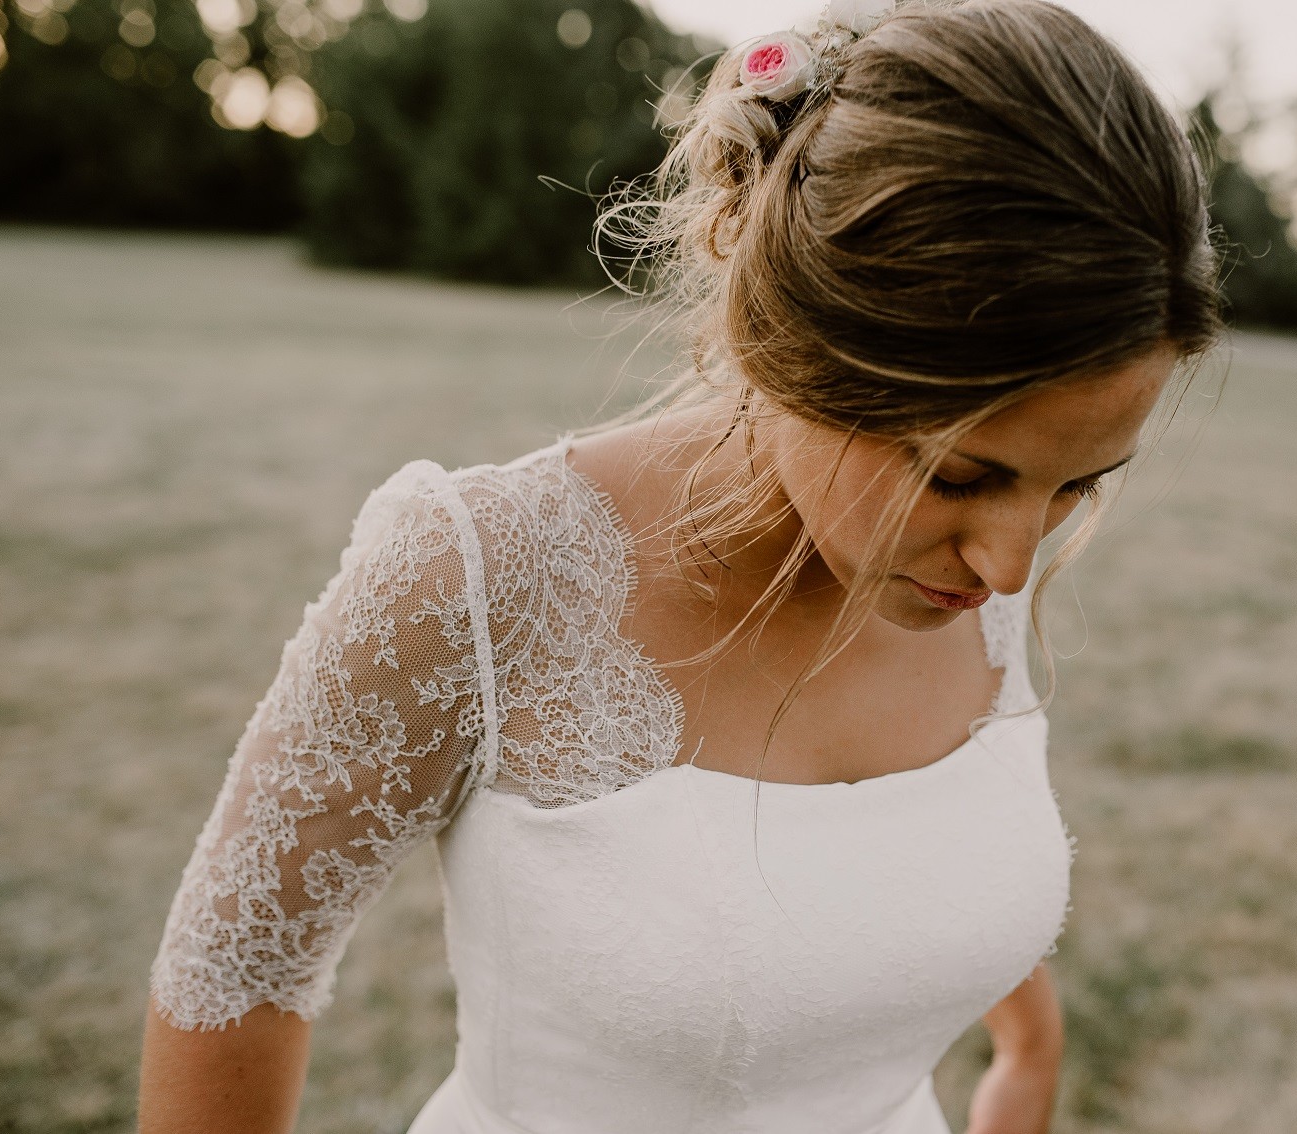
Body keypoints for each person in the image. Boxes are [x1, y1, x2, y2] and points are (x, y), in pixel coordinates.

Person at [135, 0, 1223, 1130]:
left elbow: (900, 884)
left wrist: (1029, 1055)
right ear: (788, 345)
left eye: (1076, 486)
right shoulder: (483, 568)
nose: (1008, 569)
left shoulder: (944, 575)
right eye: (957, 476)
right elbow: (238, 968)